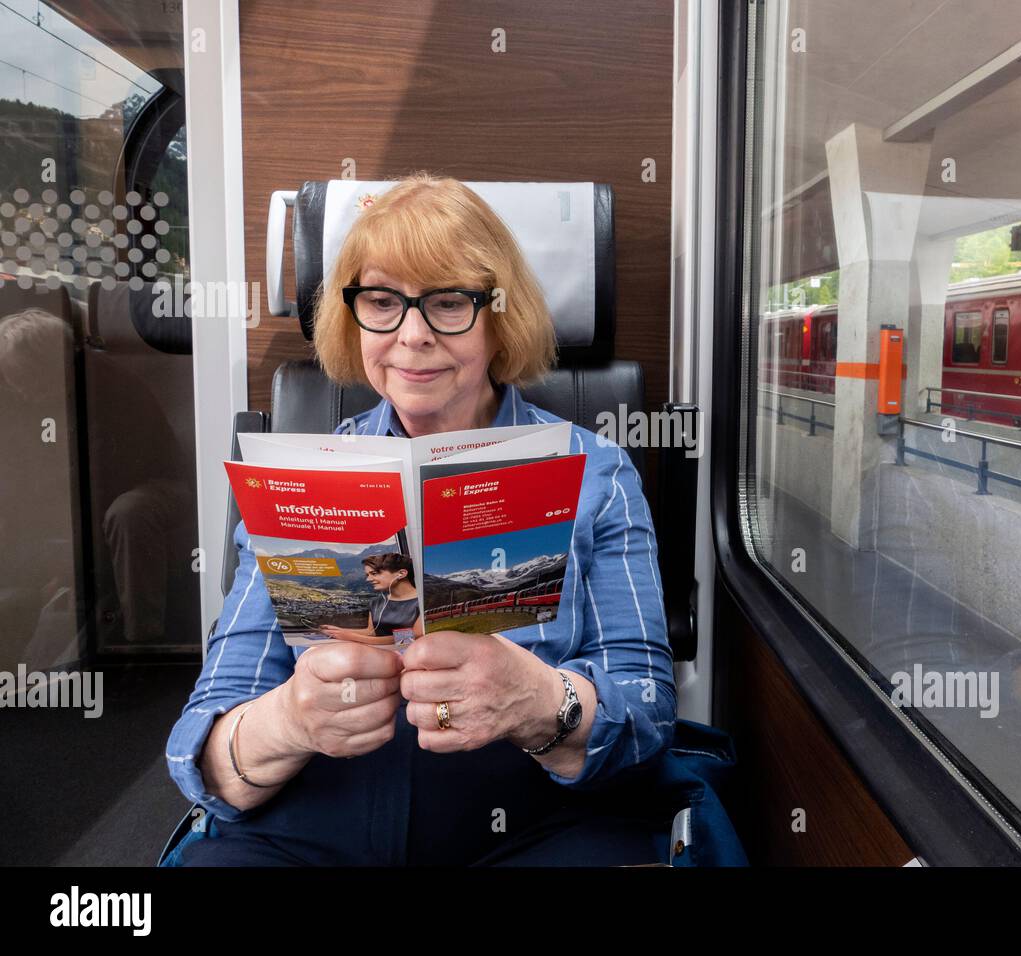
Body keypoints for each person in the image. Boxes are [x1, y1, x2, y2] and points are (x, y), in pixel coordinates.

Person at [164, 173, 676, 865]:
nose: (412, 336)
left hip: (530, 827)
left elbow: (646, 720)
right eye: (382, 302)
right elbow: (202, 746)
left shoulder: (598, 473)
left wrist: (532, 699)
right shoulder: (302, 479)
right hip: (315, 826)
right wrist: (288, 720)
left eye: (448, 302)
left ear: (499, 314)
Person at [317, 552, 420, 646]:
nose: (368, 579)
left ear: (401, 574)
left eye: (374, 573)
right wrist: (339, 631)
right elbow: (372, 632)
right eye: (367, 575)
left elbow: (414, 635)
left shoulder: (424, 601)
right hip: (380, 649)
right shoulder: (376, 602)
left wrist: (352, 637)